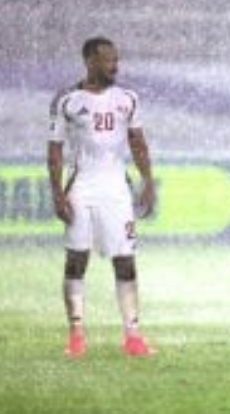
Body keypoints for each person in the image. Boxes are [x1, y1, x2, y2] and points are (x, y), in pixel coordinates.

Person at [47, 37, 156, 358]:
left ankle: (133, 336)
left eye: (116, 59)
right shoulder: (67, 100)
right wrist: (57, 192)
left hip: (116, 190)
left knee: (125, 260)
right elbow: (55, 150)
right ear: (90, 62)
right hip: (81, 186)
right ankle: (77, 334)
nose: (115, 66)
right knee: (77, 259)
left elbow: (138, 143)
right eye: (108, 60)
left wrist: (148, 181)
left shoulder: (127, 99)